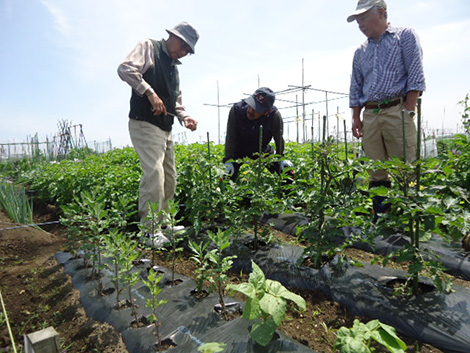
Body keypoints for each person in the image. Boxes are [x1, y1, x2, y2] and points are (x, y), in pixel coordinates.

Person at [118, 22, 199, 246]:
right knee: (155, 175)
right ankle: (148, 230)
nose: (183, 52)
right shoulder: (149, 47)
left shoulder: (174, 68)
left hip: (166, 127)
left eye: (187, 51)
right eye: (183, 46)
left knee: (170, 178)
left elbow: (176, 101)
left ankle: (164, 223)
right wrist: (150, 94)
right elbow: (125, 69)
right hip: (145, 122)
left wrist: (185, 117)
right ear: (173, 37)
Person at [347, 0, 426, 221]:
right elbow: (356, 85)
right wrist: (356, 116)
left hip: (396, 109)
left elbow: (416, 74)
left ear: (381, 13)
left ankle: (407, 218)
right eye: (357, 20)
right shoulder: (360, 51)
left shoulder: (404, 36)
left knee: (404, 166)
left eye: (363, 18)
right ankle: (381, 216)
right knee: (376, 168)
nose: (360, 24)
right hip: (370, 114)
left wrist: (408, 110)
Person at [223, 87, 293, 181]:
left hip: (262, 151)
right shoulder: (236, 110)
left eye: (257, 109)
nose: (251, 110)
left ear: (267, 111)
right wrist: (228, 160)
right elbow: (230, 137)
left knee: (287, 173)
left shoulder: (274, 116)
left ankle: (287, 195)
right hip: (239, 151)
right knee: (226, 175)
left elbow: (279, 138)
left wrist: (281, 158)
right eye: (251, 105)